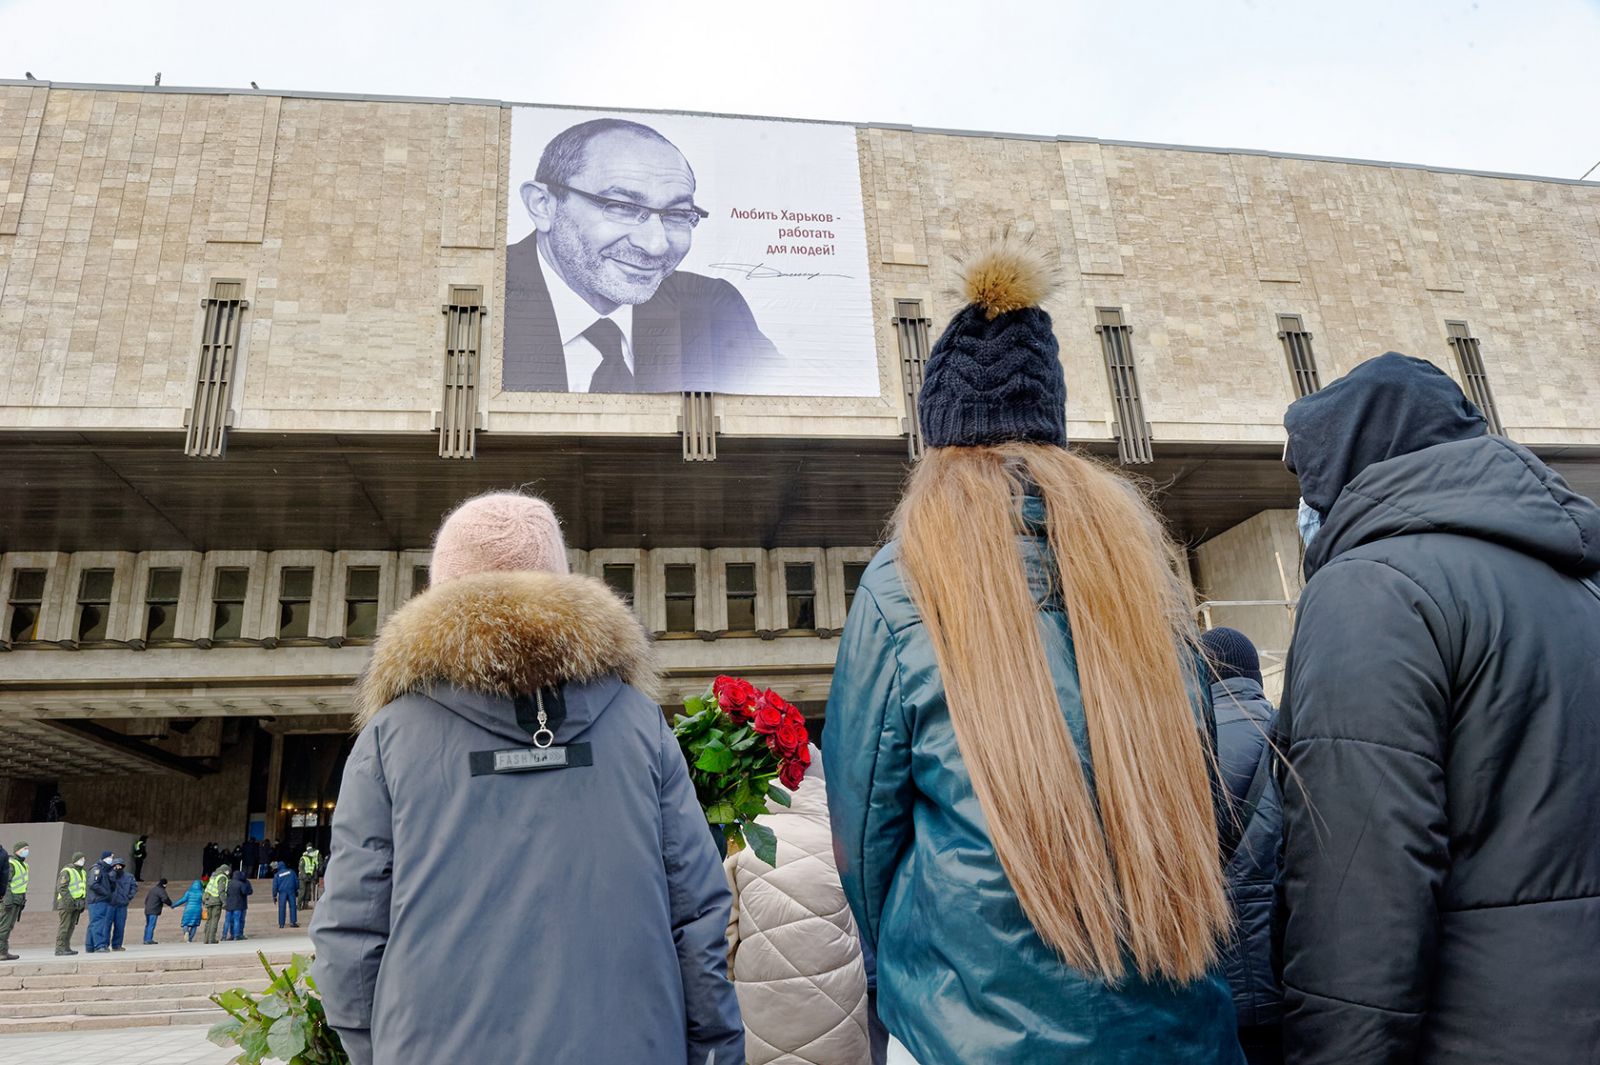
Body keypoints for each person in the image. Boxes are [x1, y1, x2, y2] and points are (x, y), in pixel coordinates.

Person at [824, 241, 1243, 1064]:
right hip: (1178, 1025)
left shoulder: (905, 580)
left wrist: (915, 967)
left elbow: (863, 832)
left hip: (973, 1025)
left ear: (939, 448)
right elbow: (1199, 790)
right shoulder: (1134, 572)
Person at [312, 491, 743, 1065]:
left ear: (442, 589)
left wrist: (379, 1049)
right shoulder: (640, 724)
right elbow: (697, 912)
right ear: (559, 581)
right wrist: (713, 1046)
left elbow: (349, 933)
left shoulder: (389, 739)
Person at [1276, 352, 1600, 1064]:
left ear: (1350, 460)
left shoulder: (1371, 590)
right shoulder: (1579, 587)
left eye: (1307, 474)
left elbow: (1359, 894)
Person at [504, 117, 782, 394]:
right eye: (622, 207)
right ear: (542, 205)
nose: (655, 245)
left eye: (677, 214)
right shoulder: (484, 295)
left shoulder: (711, 308)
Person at [724, 745, 869, 1065]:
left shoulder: (744, 843)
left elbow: (727, 938)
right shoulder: (845, 840)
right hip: (839, 1013)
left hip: (766, 1016)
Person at [1200, 628, 1284, 1065]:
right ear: (1254, 676)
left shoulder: (1187, 748)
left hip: (1216, 981)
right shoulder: (1294, 735)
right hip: (1288, 975)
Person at [54, 851, 88, 955]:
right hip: (66, 903)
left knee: (71, 926)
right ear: (76, 860)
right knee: (64, 926)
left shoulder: (83, 872)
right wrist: (70, 901)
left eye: (83, 858)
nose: (83, 860)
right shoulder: (67, 871)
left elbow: (82, 888)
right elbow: (62, 887)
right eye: (81, 859)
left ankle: (66, 947)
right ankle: (60, 948)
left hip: (76, 903)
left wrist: (82, 901)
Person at [0, 841, 29, 961]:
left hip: (17, 900)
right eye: (24, 848)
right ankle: (1, 951)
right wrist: (7, 899)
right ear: (17, 850)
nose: (26, 850)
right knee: (4, 926)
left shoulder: (24, 865)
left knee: (9, 926)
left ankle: (4, 951)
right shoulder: (11, 863)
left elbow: (22, 885)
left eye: (27, 848)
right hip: (10, 900)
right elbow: (7, 882)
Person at [85, 851, 116, 953]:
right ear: (105, 858)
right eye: (111, 857)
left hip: (100, 899)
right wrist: (106, 893)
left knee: (94, 923)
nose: (112, 859)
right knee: (98, 922)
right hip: (97, 900)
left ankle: (90, 946)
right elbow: (93, 884)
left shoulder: (106, 870)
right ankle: (100, 945)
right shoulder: (97, 869)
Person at [108, 857, 137, 951]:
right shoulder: (109, 875)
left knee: (120, 926)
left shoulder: (129, 877)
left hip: (122, 905)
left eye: (120, 865)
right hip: (110, 904)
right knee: (106, 925)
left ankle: (117, 945)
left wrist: (128, 897)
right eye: (116, 866)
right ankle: (104, 945)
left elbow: (134, 887)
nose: (118, 868)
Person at [202, 864, 230, 944]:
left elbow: (207, 889)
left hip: (208, 900)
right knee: (214, 920)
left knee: (209, 920)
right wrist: (224, 902)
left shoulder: (213, 876)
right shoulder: (222, 877)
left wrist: (204, 900)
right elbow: (221, 891)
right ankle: (212, 939)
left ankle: (206, 939)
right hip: (216, 901)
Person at [142, 878, 175, 944]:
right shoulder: (161, 890)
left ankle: (145, 939)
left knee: (148, 925)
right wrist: (171, 904)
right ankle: (148, 939)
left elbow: (146, 899)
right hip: (154, 910)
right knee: (151, 925)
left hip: (147, 909)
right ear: (164, 884)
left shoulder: (153, 889)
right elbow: (165, 899)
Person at [223, 870, 252, 941]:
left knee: (227, 921)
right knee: (237, 920)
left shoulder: (229, 883)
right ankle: (236, 935)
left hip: (229, 905)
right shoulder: (241, 883)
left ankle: (224, 936)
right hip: (238, 904)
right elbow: (245, 892)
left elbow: (225, 892)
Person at [176, 877, 205, 942]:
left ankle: (186, 932)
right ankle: (190, 939)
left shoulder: (188, 892)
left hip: (188, 909)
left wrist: (174, 905)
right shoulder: (201, 893)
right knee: (194, 925)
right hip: (197, 910)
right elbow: (205, 901)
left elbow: (183, 900)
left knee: (185, 923)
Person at [272, 860, 300, 929]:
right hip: (291, 891)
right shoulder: (291, 872)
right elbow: (296, 881)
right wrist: (296, 889)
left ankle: (281, 924)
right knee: (293, 907)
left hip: (282, 893)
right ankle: (293, 922)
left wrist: (274, 895)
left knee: (282, 908)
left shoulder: (277, 875)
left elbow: (275, 886)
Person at [298, 846, 319, 910]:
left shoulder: (313, 860)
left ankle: (305, 905)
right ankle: (299, 906)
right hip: (303, 878)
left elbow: (314, 869)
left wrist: (314, 878)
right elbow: (301, 868)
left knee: (307, 892)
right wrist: (305, 877)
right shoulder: (303, 858)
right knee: (302, 892)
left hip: (309, 878)